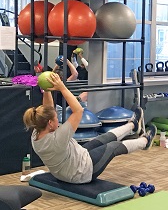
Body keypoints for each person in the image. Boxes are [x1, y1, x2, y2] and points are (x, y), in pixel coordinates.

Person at [22, 72, 157, 184]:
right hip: (81, 173)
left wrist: (46, 89)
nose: (58, 118)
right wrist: (62, 87)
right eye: (56, 117)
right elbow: (78, 111)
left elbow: (48, 109)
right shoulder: (57, 139)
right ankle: (145, 141)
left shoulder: (37, 132)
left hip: (68, 167)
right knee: (113, 146)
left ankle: (132, 125)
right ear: (51, 123)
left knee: (103, 138)